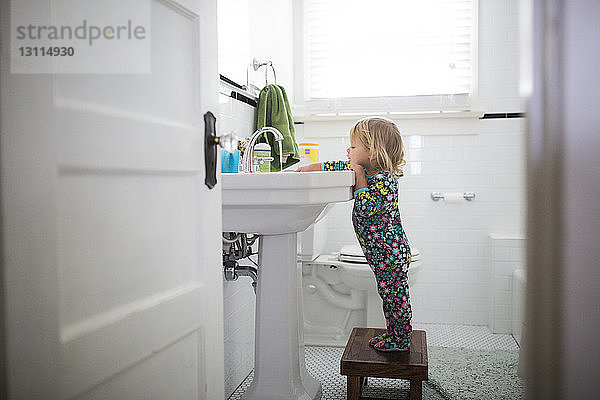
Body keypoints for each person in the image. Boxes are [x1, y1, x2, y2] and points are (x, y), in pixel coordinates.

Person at [296, 117, 412, 351]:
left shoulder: (384, 181)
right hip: (380, 255)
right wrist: (310, 168)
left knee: (395, 299)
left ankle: (400, 339)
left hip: (391, 255)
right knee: (388, 297)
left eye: (354, 146)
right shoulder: (366, 170)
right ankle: (394, 335)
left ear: (373, 151)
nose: (348, 150)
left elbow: (365, 207)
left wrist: (359, 177)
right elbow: (337, 166)